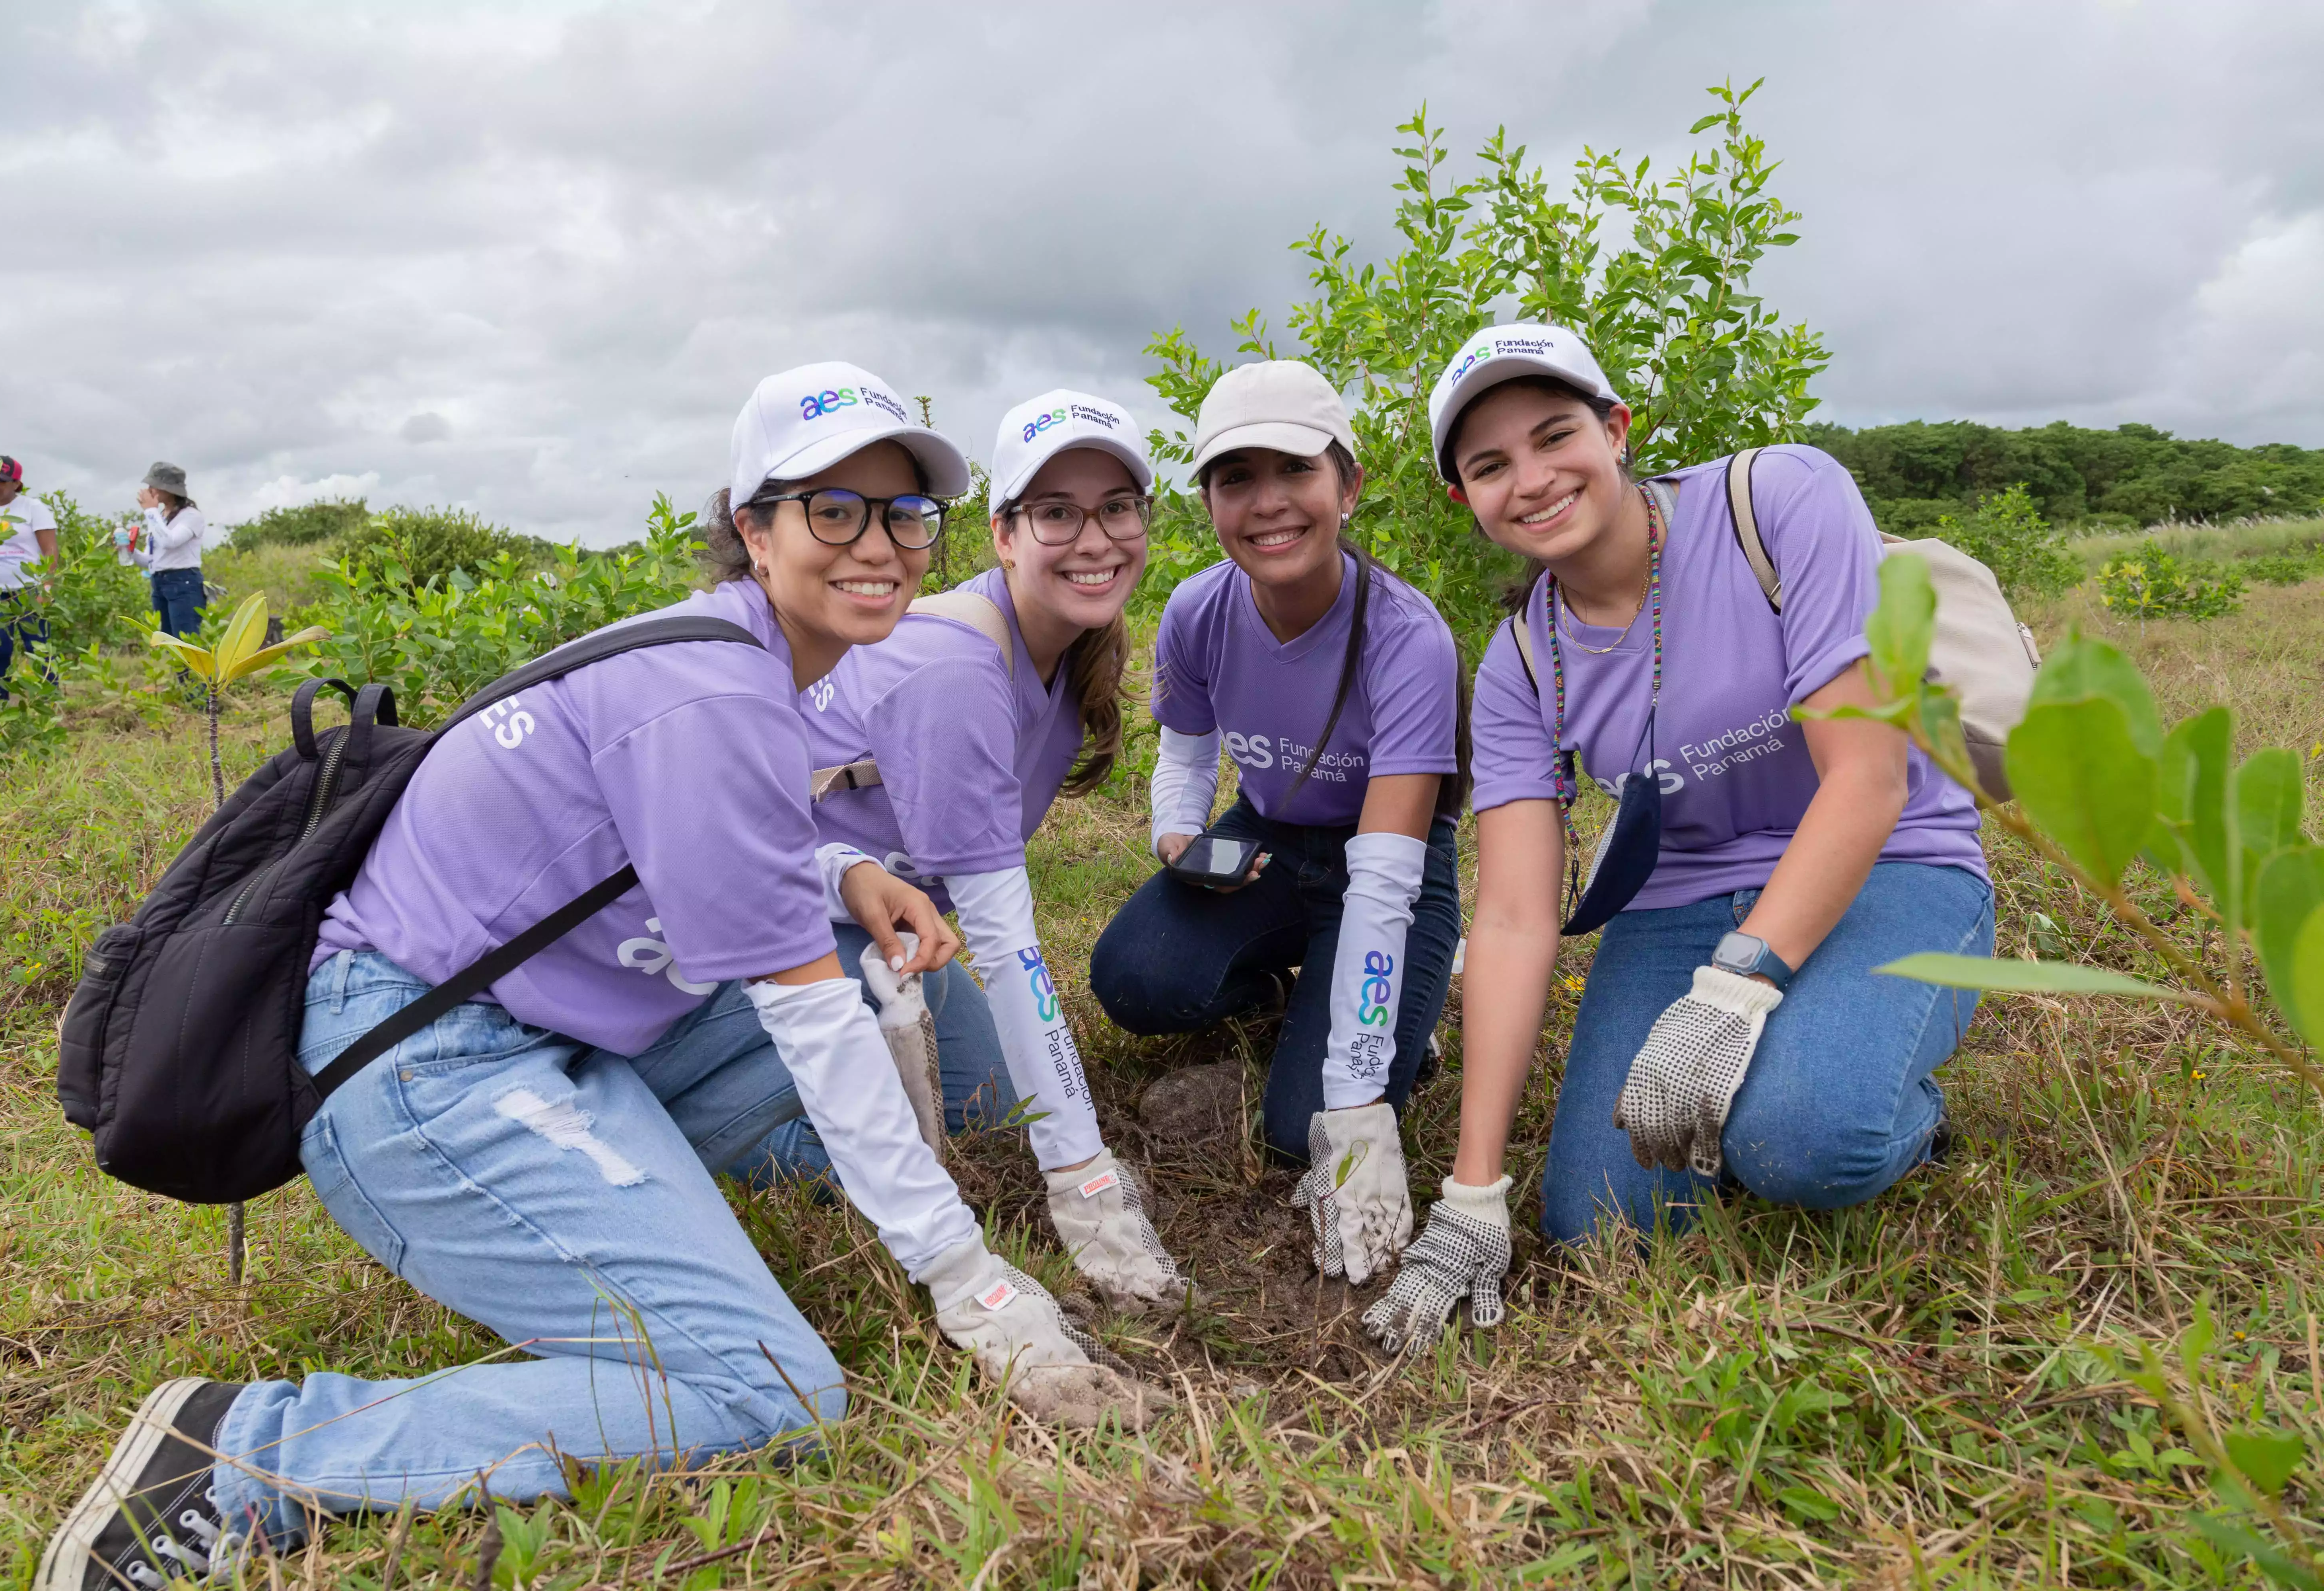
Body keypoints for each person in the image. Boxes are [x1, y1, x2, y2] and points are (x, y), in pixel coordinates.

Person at [44, 362, 1152, 1589]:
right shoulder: (716, 688)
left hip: (572, 1036)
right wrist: (968, 1284)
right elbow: (815, 1028)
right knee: (769, 1387)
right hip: (425, 1063)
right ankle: (245, 1451)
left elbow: (681, 835)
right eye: (831, 511)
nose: (878, 544)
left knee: (919, 1030)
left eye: (901, 514)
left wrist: (839, 872)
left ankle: (644, 1227)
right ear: (752, 526)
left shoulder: (751, 657)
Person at [1360, 324, 1992, 1356]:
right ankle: (1777, 1081)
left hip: (1891, 860)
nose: (1532, 478)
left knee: (1806, 1139)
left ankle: (1893, 1123)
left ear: (1616, 429)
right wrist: (1472, 1191)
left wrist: (1734, 991)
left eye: (1555, 434)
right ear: (1464, 501)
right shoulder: (1522, 663)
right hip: (1681, 898)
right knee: (1598, 1229)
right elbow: (1517, 917)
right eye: (1489, 465)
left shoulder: (1779, 501)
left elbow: (1869, 779)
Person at [754, 387, 1190, 1309]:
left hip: (879, 922)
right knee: (891, 1146)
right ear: (1003, 534)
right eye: (1057, 513)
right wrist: (1084, 1179)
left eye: (1118, 508)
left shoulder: (1068, 653)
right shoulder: (955, 669)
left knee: (986, 1101)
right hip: (772, 916)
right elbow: (1006, 940)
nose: (1095, 539)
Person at [1088, 360, 1466, 1288]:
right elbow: (1185, 751)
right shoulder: (1196, 610)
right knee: (1134, 981)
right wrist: (1179, 834)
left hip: (1389, 866)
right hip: (1265, 834)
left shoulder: (1409, 639)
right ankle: (1299, 1002)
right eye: (1235, 478)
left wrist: (1354, 1099)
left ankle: (1399, 1012)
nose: (1268, 504)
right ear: (1208, 499)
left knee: (1307, 1124)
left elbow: (1381, 878)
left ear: (1349, 484)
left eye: (1295, 470)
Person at [0, 455, 59, 698]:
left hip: (29, 589)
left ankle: (48, 704)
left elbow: (50, 551)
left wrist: (47, 589)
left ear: (17, 484)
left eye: (1, 480)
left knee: (39, 649)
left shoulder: (33, 508)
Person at [119, 461, 208, 639]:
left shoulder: (191, 516)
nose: (150, 490)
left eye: (155, 485)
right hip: (159, 583)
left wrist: (150, 511)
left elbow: (170, 542)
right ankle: (176, 668)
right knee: (168, 641)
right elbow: (149, 560)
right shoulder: (160, 518)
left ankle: (188, 668)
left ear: (170, 489)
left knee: (185, 642)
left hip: (184, 583)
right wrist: (128, 549)